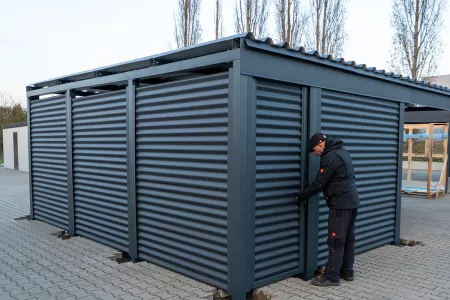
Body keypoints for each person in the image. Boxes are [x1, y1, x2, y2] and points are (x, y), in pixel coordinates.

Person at [297, 133, 360, 287]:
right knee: (348, 238)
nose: (315, 153)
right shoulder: (342, 151)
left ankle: (331, 277)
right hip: (352, 201)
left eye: (314, 150)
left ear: (320, 144)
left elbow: (320, 182)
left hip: (340, 204)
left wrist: (301, 195)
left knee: (335, 240)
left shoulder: (329, 157)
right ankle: (347, 271)